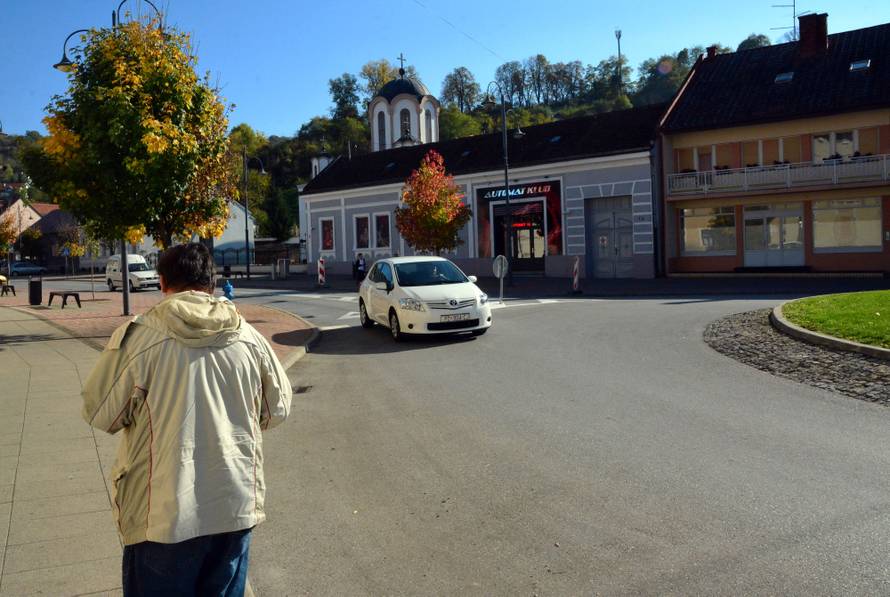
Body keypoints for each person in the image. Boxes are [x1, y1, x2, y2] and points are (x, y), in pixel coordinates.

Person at [81, 243, 292, 596]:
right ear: (211, 282)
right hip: (233, 506)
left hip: (162, 513)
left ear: (162, 282)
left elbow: (100, 412)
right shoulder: (249, 338)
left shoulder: (138, 338)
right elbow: (276, 409)